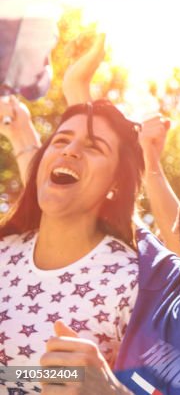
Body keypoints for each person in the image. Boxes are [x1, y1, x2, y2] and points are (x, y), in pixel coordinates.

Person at [0, 100, 141, 391]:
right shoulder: (4, 250)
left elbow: (156, 387)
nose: (69, 150)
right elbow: (16, 375)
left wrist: (110, 390)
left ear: (115, 183)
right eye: (61, 140)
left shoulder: (133, 284)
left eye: (94, 146)